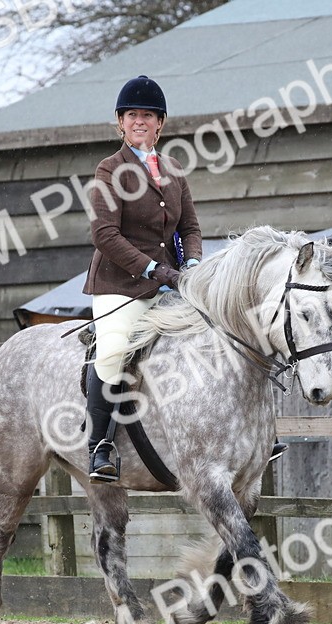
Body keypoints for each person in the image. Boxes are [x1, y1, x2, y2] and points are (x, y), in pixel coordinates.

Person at [83, 75, 202, 483]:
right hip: (121, 284)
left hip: (170, 283)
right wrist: (154, 270)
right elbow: (104, 235)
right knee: (114, 349)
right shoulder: (110, 169)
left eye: (147, 115)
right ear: (120, 122)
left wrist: (193, 265)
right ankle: (99, 446)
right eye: (132, 114)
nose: (139, 121)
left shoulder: (173, 170)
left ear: (160, 124)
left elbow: (190, 228)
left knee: (214, 337)